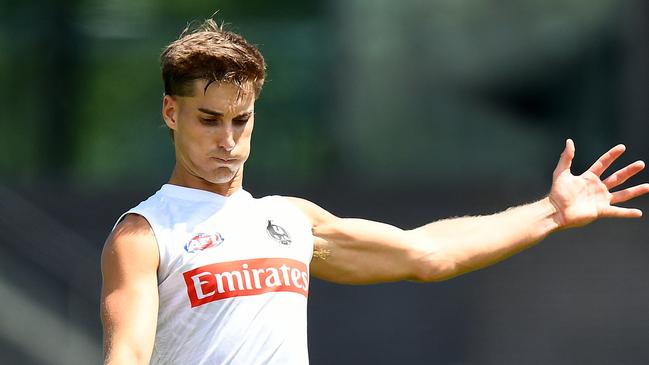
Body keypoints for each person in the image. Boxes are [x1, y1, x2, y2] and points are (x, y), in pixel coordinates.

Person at [100, 18, 649, 365]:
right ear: (172, 113)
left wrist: (552, 211)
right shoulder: (144, 233)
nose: (228, 139)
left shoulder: (290, 220)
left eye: (240, 120)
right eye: (209, 119)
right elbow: (127, 355)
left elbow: (426, 253)